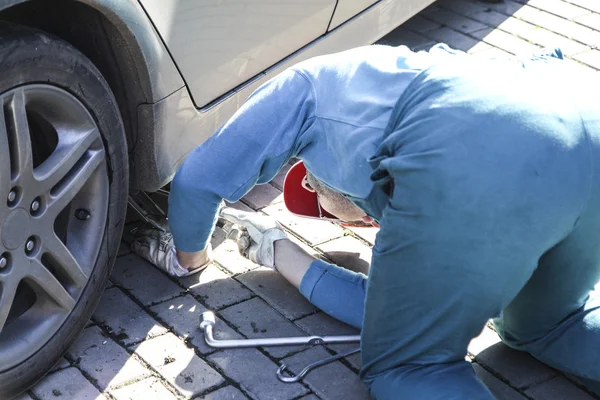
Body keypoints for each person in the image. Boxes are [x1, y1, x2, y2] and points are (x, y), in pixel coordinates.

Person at [130, 43, 600, 399]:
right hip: (581, 112)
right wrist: (279, 252)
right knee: (545, 326)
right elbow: (393, 303)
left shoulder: (304, 90)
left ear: (313, 183)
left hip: (475, 141)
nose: (352, 227)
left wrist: (189, 258)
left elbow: (197, 180)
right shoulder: (379, 81)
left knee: (408, 367)